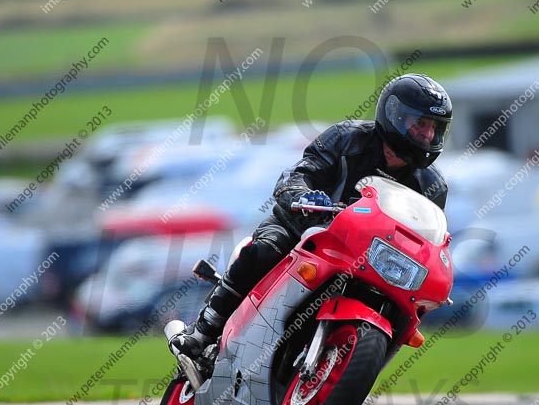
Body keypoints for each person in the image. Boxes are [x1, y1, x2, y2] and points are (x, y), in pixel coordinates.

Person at [170, 73, 452, 359]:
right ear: (394, 115)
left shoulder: (432, 187)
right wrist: (302, 196)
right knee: (265, 249)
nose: (427, 135)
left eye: (433, 127)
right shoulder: (346, 138)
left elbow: (428, 237)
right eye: (420, 124)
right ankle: (204, 328)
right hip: (307, 229)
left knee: (404, 315)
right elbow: (298, 174)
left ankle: (351, 369)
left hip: (370, 260)